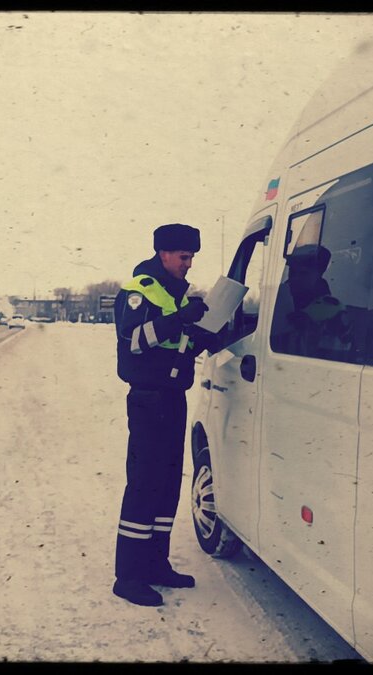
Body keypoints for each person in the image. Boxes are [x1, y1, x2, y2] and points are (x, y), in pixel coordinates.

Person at [112, 223, 217, 607]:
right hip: (147, 400)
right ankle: (128, 576)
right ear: (164, 254)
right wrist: (181, 318)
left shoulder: (175, 296)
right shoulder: (138, 292)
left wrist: (215, 330)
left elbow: (181, 344)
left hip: (173, 399)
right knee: (143, 485)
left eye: (192, 257)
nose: (189, 265)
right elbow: (134, 341)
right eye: (184, 257)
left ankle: (156, 564)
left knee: (168, 483)